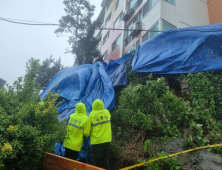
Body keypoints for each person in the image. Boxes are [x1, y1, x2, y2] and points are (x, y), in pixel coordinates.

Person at [89, 99, 112, 169]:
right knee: (105, 157)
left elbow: (89, 124)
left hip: (96, 139)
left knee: (94, 158)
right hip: (106, 138)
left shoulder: (92, 114)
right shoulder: (107, 112)